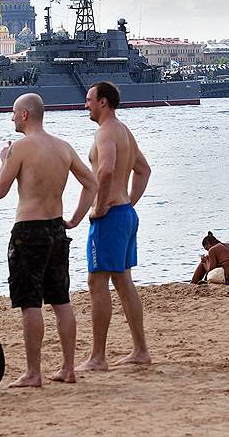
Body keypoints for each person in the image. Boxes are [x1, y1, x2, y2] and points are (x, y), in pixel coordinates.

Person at [0, 93, 98, 388]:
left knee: (31, 303)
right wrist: (76, 218)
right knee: (61, 300)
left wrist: (4, 161)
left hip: (28, 231)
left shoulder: (20, 148)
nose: (12, 117)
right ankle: (68, 368)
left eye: (14, 113)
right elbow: (91, 183)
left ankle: (33, 372)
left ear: (25, 115)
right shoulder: (62, 147)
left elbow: (0, 191)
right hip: (56, 229)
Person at [77, 81, 152, 372]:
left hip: (110, 217)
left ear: (103, 102)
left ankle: (98, 357)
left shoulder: (105, 132)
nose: (86, 105)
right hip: (124, 214)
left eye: (89, 100)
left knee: (97, 282)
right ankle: (140, 351)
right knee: (123, 281)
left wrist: (99, 206)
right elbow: (144, 170)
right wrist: (129, 202)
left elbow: (106, 169)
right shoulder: (124, 132)